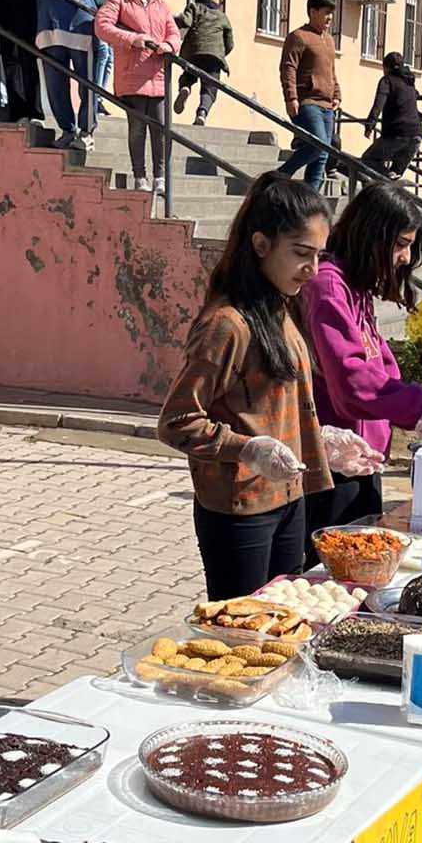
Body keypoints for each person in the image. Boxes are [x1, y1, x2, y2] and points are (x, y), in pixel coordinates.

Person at [158, 174, 336, 599]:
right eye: (301, 254)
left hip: (289, 495)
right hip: (240, 509)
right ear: (260, 245)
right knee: (241, 634)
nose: (312, 270)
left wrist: (322, 436)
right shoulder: (227, 324)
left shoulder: (279, 306)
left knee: (287, 622)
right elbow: (177, 422)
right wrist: (248, 449)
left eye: (319, 256)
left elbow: (280, 401)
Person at [299, 181, 422, 544]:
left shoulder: (355, 286)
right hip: (336, 460)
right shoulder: (328, 286)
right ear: (371, 237)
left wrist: (419, 413)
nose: (405, 258)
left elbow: (380, 362)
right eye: (401, 245)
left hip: (365, 456)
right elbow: (352, 379)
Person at [94, 0, 180, 195]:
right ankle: (140, 176)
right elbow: (102, 26)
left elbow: (174, 32)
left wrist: (169, 45)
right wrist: (132, 39)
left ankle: (160, 177)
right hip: (133, 76)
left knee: (161, 129)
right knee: (138, 129)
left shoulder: (161, 5)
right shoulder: (117, 1)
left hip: (158, 74)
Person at [26, 0, 97, 147]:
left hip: (79, 28)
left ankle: (86, 132)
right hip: (49, 30)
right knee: (56, 85)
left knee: (86, 84)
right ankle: (67, 129)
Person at [279, 0, 341, 190]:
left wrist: (337, 93)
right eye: (326, 13)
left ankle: (310, 198)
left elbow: (331, 70)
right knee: (318, 144)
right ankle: (280, 175)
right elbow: (288, 67)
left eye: (332, 13)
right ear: (312, 12)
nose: (330, 18)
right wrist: (291, 97)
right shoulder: (298, 36)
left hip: (327, 104)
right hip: (307, 102)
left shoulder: (329, 40)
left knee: (323, 154)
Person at [173, 0, 234, 125]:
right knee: (210, 87)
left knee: (188, 75)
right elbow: (230, 42)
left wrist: (170, 19)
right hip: (214, 57)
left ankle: (185, 88)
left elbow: (185, 21)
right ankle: (202, 113)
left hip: (193, 52)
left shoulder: (194, 7)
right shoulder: (222, 17)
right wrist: (221, 53)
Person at [361, 52, 422, 180]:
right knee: (394, 175)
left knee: (368, 160)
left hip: (397, 133)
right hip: (416, 135)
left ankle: (384, 180)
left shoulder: (387, 81)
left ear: (386, 67)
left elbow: (378, 104)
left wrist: (370, 125)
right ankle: (387, 184)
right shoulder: (409, 82)